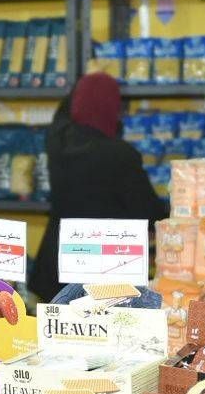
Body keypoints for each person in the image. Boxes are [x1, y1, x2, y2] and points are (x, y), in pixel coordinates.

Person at [29, 71, 167, 303]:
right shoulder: (120, 155)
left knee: (55, 325)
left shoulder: (56, 141)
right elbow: (149, 212)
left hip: (57, 267)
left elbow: (63, 113)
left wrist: (85, 85)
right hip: (103, 272)